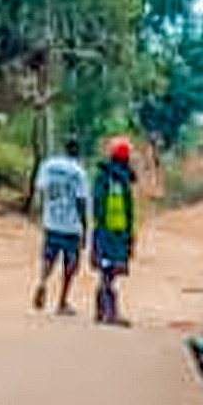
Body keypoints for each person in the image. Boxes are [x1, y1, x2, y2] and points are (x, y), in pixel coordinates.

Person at [31, 138, 90, 313]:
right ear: (78, 151)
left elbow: (41, 190)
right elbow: (81, 201)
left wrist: (43, 211)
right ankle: (62, 301)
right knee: (70, 265)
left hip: (51, 221)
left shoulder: (49, 165)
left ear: (65, 149)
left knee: (48, 258)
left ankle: (42, 282)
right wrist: (85, 227)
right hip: (71, 226)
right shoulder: (79, 172)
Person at [91, 136, 137, 326]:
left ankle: (101, 311)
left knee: (106, 271)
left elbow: (97, 205)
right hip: (116, 234)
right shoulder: (122, 179)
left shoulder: (103, 176)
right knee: (109, 273)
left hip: (104, 232)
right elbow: (128, 211)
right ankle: (111, 313)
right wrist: (130, 236)